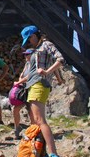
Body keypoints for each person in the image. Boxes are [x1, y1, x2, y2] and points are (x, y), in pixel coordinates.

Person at [21, 25, 64, 157]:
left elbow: (60, 59)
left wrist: (47, 72)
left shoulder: (46, 44)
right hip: (33, 84)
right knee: (35, 122)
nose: (29, 42)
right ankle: (41, 151)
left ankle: (52, 153)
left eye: (29, 39)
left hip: (39, 84)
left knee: (40, 120)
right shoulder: (37, 48)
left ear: (35, 35)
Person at [12, 48, 34, 139]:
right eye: (25, 54)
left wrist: (19, 82)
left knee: (31, 110)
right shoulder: (27, 63)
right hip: (24, 89)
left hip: (31, 88)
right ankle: (17, 128)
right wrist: (20, 80)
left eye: (27, 54)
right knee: (15, 109)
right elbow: (22, 74)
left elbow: (30, 76)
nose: (25, 56)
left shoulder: (35, 64)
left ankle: (34, 130)